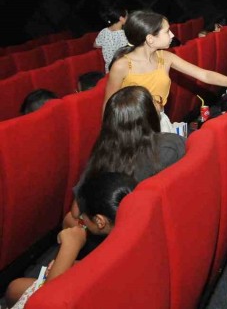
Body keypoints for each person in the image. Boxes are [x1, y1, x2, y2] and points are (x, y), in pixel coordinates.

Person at [5, 172, 136, 308]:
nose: (80, 219)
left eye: (83, 215)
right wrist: (70, 264)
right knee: (16, 288)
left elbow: (46, 303)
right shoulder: (133, 231)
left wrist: (70, 246)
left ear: (99, 221)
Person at [62, 86, 186, 229]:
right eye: (154, 103)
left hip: (117, 229)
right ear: (150, 116)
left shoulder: (102, 154)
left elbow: (76, 211)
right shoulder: (173, 144)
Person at [105, 10, 227, 118]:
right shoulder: (122, 66)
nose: (172, 35)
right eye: (167, 31)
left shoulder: (165, 57)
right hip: (131, 128)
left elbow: (204, 75)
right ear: (150, 39)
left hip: (159, 121)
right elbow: (108, 106)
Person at [94, 8, 128, 73]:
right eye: (127, 16)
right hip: (121, 69)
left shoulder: (103, 31)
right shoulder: (124, 35)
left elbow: (95, 45)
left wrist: (107, 45)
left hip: (109, 69)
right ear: (121, 18)